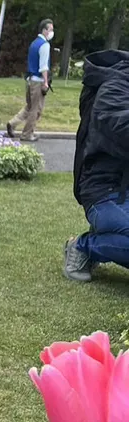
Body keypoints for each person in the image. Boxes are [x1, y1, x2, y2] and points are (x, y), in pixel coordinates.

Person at [64, 49, 129, 282]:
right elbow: (117, 125)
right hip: (105, 191)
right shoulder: (116, 85)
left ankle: (111, 231)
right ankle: (83, 246)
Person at [7, 19, 54, 142]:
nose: (52, 32)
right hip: (38, 81)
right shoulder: (44, 45)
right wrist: (45, 82)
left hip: (30, 79)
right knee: (36, 109)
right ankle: (27, 134)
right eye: (50, 29)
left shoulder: (34, 43)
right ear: (44, 30)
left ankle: (12, 123)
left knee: (29, 106)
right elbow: (43, 66)